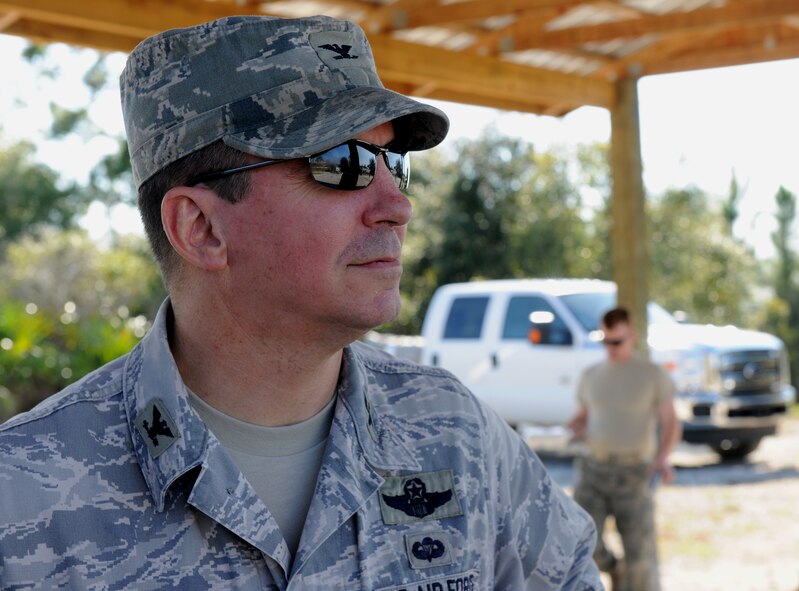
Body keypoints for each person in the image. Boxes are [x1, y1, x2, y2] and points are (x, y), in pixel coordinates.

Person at [0, 15, 603, 590]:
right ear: (200, 228)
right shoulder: (27, 493)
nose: (398, 206)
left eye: (394, 162)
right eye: (343, 164)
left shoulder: (454, 434)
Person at [568, 307, 681, 591]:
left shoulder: (651, 374)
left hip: (634, 472)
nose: (610, 348)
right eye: (605, 341)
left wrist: (663, 459)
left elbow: (671, 422)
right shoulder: (591, 375)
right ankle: (614, 569)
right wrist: (575, 426)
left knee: (640, 556)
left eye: (616, 341)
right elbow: (584, 416)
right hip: (593, 469)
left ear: (631, 335)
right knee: (579, 538)